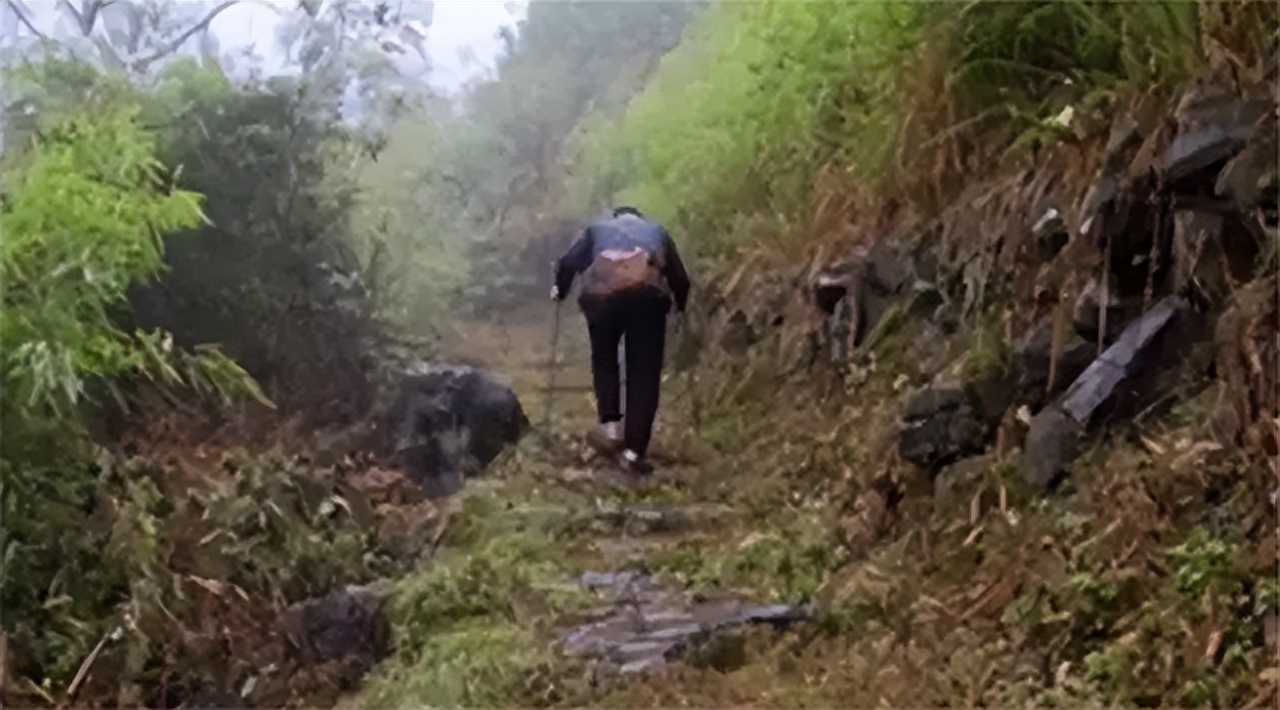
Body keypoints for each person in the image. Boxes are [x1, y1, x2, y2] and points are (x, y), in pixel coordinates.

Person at [551, 206, 691, 473]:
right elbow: (680, 278)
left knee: (605, 360)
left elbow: (569, 263)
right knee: (644, 375)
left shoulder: (596, 230)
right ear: (640, 217)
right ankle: (634, 451)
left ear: (615, 218)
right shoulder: (656, 231)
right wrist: (680, 305)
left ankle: (611, 427)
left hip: (602, 301)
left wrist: (560, 290)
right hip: (647, 301)